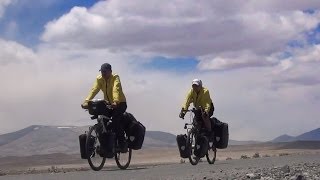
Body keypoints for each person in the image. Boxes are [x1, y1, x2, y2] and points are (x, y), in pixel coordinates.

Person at [81, 63, 128, 153]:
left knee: (115, 120)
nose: (103, 74)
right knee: (102, 122)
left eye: (105, 72)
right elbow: (94, 90)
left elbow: (116, 89)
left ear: (110, 71)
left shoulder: (115, 77)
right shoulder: (100, 79)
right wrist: (87, 101)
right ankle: (106, 145)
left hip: (120, 103)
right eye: (102, 72)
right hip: (108, 104)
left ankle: (122, 144)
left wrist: (115, 101)